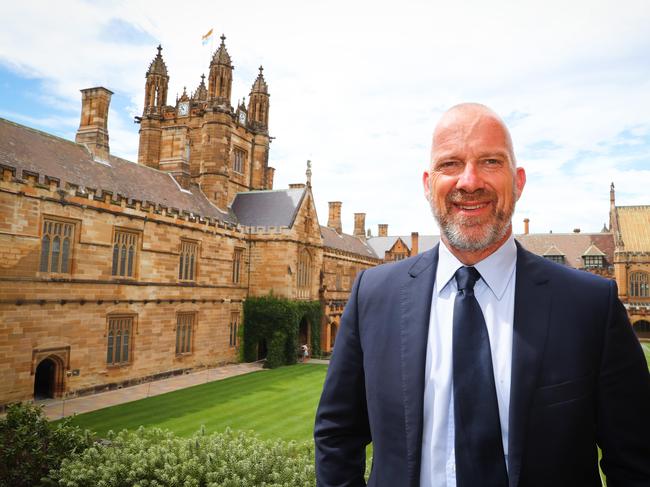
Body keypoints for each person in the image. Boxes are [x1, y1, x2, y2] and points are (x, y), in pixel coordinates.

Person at [314, 103, 650, 487]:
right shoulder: (373, 295)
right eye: (450, 164)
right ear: (427, 184)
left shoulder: (591, 305)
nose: (469, 181)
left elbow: (636, 460)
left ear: (518, 181)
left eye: (490, 162)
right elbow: (337, 435)